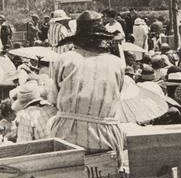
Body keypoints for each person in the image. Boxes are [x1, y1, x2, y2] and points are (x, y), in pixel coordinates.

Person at [47, 10, 125, 158]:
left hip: (66, 134)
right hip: (106, 136)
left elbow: (53, 99)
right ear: (102, 40)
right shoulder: (117, 63)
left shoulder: (64, 59)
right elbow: (117, 95)